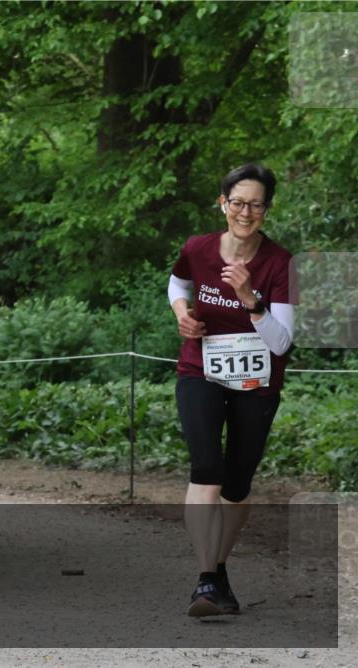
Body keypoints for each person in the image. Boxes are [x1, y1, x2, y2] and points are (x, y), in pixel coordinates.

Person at [168, 163, 293, 617]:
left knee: (237, 486)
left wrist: (251, 302)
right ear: (222, 203)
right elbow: (177, 282)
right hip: (199, 368)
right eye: (237, 201)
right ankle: (205, 581)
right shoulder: (198, 249)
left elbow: (282, 342)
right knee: (206, 470)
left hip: (257, 383)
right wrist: (181, 311)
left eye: (255, 204)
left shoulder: (279, 262)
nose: (245, 211)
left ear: (266, 209)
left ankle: (218, 571)